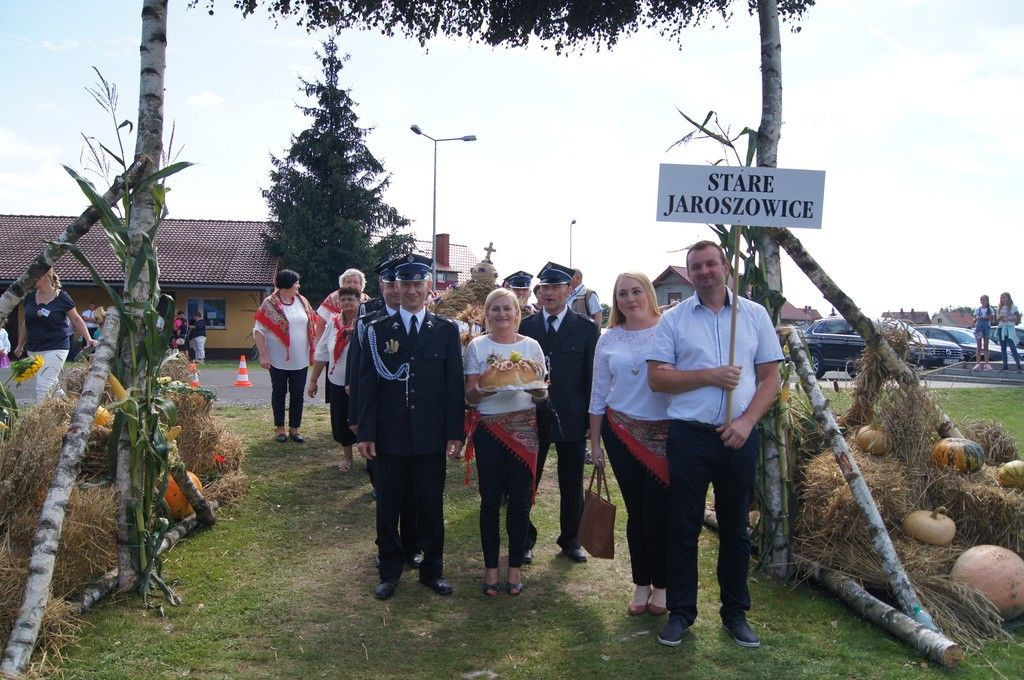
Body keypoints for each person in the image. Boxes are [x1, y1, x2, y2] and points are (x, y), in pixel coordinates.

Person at [646, 240, 783, 649]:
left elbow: (771, 379)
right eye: (696, 267)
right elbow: (658, 379)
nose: (704, 271)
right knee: (683, 526)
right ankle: (681, 613)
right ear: (689, 274)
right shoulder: (673, 320)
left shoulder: (754, 316)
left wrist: (745, 422)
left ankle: (735, 612)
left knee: (736, 528)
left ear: (725, 266)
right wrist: (709, 375)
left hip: (738, 436)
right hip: (690, 435)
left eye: (711, 264)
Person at [356, 254, 465, 600]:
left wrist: (454, 433)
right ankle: (390, 570)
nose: (413, 290)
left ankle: (432, 571)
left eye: (419, 283)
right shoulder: (377, 331)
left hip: (431, 435)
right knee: (388, 505)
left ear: (430, 287)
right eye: (406, 284)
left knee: (430, 505)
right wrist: (366, 433)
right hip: (390, 436)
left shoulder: (446, 331)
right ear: (395, 287)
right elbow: (368, 386)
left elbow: (453, 388)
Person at [589, 272, 671, 616]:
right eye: (622, 293)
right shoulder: (607, 339)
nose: (630, 298)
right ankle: (641, 585)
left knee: (660, 513)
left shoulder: (670, 329)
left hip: (664, 436)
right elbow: (597, 393)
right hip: (620, 433)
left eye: (636, 291)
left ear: (649, 293)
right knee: (637, 513)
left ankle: (663, 588)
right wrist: (595, 443)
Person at [464, 288, 547, 596]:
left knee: (520, 502)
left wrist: (540, 393)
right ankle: (489, 569)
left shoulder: (532, 347)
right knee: (489, 502)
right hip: (489, 430)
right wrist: (485, 385)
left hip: (524, 428)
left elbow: (540, 389)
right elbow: (469, 396)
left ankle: (514, 568)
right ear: (488, 314)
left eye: (507, 309)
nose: (501, 314)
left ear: (517, 313)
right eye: (495, 309)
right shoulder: (477, 346)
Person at [518, 261, 599, 564]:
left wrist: (592, 421)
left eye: (556, 287)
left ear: (568, 290)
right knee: (527, 479)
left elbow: (591, 376)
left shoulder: (586, 328)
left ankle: (571, 539)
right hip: (533, 414)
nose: (549, 293)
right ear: (538, 292)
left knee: (571, 481)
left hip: (572, 415)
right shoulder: (526, 327)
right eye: (545, 288)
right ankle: (524, 538)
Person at [347, 257, 422, 568]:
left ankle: (413, 544)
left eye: (400, 283)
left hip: (417, 422)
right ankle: (387, 546)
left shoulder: (424, 319)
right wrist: (357, 421)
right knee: (387, 491)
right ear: (382, 286)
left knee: (415, 492)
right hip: (382, 421)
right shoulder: (368, 322)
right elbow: (357, 377)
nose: (395, 289)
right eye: (390, 283)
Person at [14, 269, 98, 400]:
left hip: (56, 348)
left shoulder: (62, 297)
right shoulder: (30, 298)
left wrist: (88, 338)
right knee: (53, 386)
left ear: (45, 276)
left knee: (43, 386)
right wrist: (20, 345)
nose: (31, 279)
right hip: (34, 349)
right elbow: (26, 322)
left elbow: (76, 319)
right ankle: (68, 409)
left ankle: (39, 420)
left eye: (34, 275)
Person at [254, 269, 315, 444]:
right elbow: (259, 331)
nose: (299, 286)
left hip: (300, 359)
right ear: (287, 286)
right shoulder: (269, 304)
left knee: (297, 394)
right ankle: (279, 428)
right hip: (277, 360)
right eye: (296, 283)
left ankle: (295, 428)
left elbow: (312, 322)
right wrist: (263, 355)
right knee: (279, 392)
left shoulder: (302, 301)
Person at [307, 286, 360, 470]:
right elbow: (322, 352)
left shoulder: (365, 324)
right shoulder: (333, 323)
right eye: (343, 299)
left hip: (360, 384)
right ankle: (347, 457)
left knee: (363, 420)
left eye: (350, 299)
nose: (346, 302)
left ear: (358, 301)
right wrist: (313, 381)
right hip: (337, 381)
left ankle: (371, 458)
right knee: (341, 420)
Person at [315, 268, 367, 341]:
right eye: (348, 282)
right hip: (333, 341)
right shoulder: (332, 298)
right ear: (342, 284)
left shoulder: (367, 300)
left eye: (356, 282)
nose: (352, 284)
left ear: (361, 285)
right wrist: (318, 343)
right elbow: (320, 323)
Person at [996, 292, 1022, 372]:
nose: (1002, 299)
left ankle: (1019, 365)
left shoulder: (1013, 307)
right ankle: (1005, 365)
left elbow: (1018, 318)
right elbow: (997, 319)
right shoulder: (999, 307)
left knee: (1012, 347)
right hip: (1001, 328)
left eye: (1004, 297)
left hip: (1009, 328)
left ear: (1008, 298)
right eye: (1001, 298)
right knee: (1003, 348)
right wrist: (999, 318)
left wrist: (1009, 318)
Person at [972, 295, 995, 370]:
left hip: (986, 327)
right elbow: (973, 320)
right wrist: (977, 318)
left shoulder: (990, 310)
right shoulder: (977, 309)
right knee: (978, 345)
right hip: (979, 327)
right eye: (981, 300)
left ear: (987, 301)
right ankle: (978, 363)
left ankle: (986, 363)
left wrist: (987, 317)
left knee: (986, 345)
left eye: (984, 300)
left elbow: (993, 321)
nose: (982, 302)